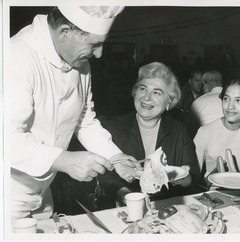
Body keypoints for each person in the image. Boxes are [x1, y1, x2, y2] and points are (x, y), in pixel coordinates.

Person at [7, 6, 142, 223]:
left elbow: (84, 121)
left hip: (43, 192)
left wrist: (114, 156)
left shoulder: (81, 64)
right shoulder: (15, 56)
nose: (99, 54)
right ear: (64, 32)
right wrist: (65, 161)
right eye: (94, 44)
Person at [97, 62, 201, 203]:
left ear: (169, 101)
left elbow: (192, 175)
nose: (146, 97)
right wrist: (130, 199)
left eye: (157, 92)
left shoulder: (178, 129)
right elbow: (106, 177)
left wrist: (183, 178)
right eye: (143, 89)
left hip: (166, 206)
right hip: (122, 205)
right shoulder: (114, 128)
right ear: (135, 92)